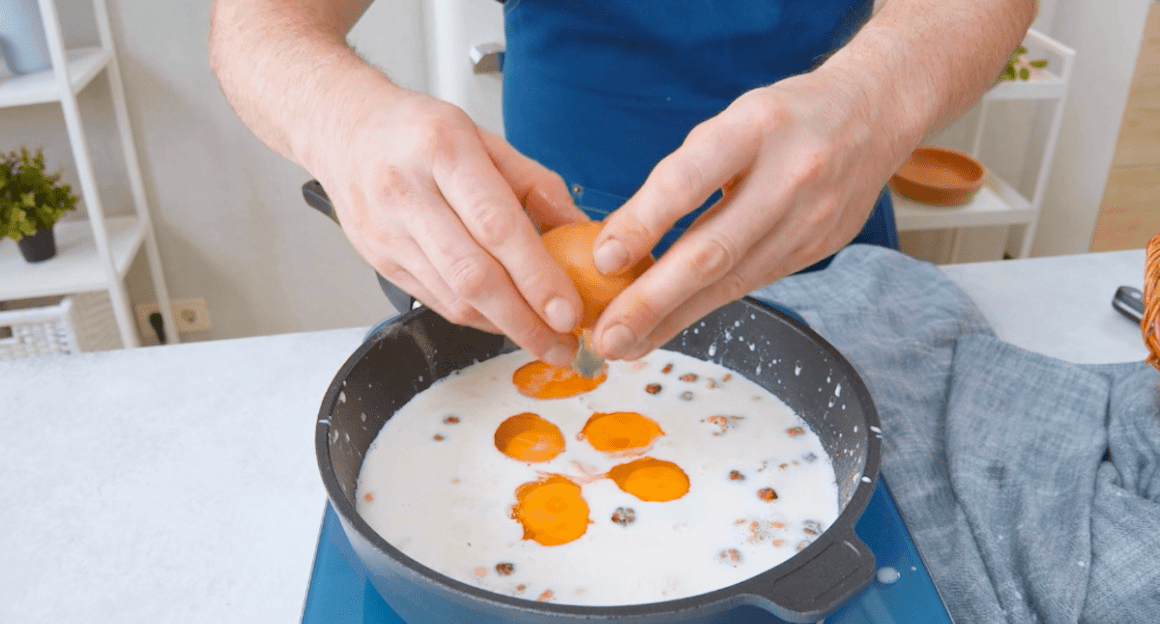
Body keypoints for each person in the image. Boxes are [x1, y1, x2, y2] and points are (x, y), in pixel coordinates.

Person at [209, 0, 1036, 368]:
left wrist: (877, 95)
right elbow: (256, 24)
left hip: (821, 238)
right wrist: (346, 123)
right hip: (539, 271)